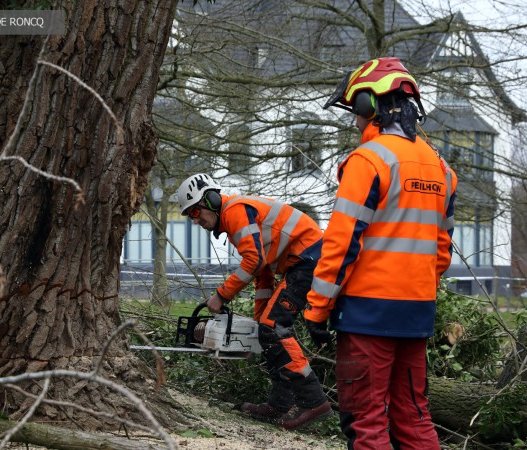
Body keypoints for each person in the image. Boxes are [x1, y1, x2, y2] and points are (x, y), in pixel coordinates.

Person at [303, 57, 457, 449]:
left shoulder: (368, 161)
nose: (354, 121)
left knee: (366, 418)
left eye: (355, 110)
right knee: (413, 416)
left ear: (369, 105)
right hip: (417, 310)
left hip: (367, 314)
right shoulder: (442, 169)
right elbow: (441, 252)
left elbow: (340, 244)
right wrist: (416, 291)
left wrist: (317, 308)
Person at [176, 173, 332, 430]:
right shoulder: (232, 221)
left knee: (275, 328)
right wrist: (260, 321)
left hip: (309, 260)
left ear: (212, 200)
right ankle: (280, 404)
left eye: (195, 213)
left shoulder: (236, 211)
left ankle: (313, 401)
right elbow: (263, 274)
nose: (197, 221)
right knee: (268, 328)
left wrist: (221, 295)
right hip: (300, 263)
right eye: (191, 216)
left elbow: (254, 261)